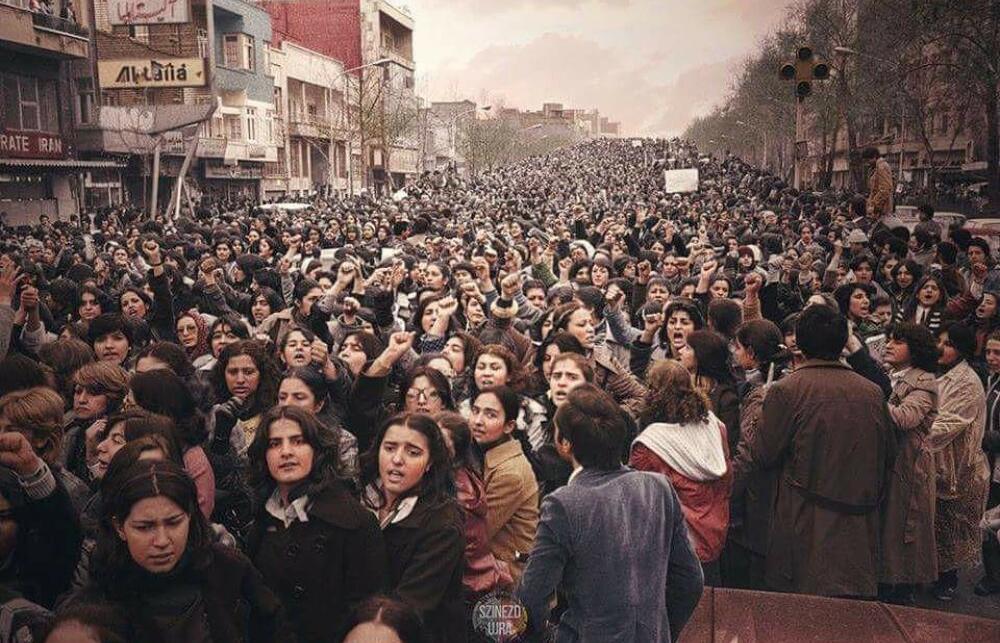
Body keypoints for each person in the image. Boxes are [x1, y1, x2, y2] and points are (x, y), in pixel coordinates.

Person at [516, 384, 704, 642]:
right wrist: (659, 631)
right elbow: (690, 580)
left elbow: (531, 598)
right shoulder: (658, 488)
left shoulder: (564, 504)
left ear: (564, 444)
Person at [742, 304, 895, 597]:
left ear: (800, 341)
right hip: (860, 527)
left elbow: (763, 454)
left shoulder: (786, 389)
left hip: (804, 527)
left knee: (801, 618)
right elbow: (889, 457)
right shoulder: (872, 392)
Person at [72, 459, 289, 641]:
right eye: (144, 527)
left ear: (190, 517)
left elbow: (274, 626)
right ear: (120, 527)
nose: (162, 541)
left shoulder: (229, 569)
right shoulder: (99, 597)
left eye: (174, 523)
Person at [247, 406, 386, 641]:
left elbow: (368, 612)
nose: (286, 452)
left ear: (317, 450)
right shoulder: (261, 522)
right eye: (274, 444)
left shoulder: (354, 522)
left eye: (298, 441)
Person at [359, 414, 465, 642]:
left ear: (430, 463)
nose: (397, 459)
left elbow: (410, 606)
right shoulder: (355, 501)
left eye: (413, 452)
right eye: (389, 448)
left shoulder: (443, 524)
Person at [632, 359, 731, 585]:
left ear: (652, 393)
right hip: (714, 540)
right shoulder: (717, 428)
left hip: (672, 554)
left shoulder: (648, 446)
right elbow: (727, 483)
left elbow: (642, 507)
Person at [929, 322, 990, 601]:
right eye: (940, 341)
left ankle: (947, 581)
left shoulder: (965, 382)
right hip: (938, 465)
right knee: (935, 524)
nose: (941, 347)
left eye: (950, 344)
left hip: (958, 468)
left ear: (962, 350)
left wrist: (907, 425)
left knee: (950, 530)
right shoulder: (938, 371)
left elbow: (945, 424)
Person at [880, 322, 939, 604]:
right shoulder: (893, 375)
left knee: (906, 527)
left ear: (915, 349)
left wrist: (871, 398)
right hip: (894, 461)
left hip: (910, 465)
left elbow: (906, 419)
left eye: (898, 341)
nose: (889, 345)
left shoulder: (924, 382)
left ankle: (904, 589)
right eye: (889, 340)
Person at [469, 386, 539, 584]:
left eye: (490, 415)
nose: (478, 421)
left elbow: (478, 534)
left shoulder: (509, 473)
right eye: (475, 411)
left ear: (509, 426)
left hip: (507, 583)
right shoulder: (484, 453)